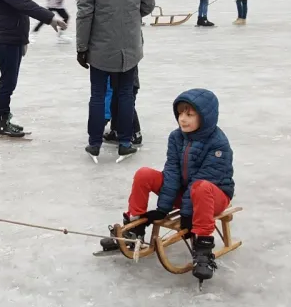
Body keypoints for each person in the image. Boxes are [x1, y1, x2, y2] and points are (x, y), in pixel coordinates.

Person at [100, 89, 234, 282]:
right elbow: (171, 171)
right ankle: (134, 228)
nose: (183, 119)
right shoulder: (176, 137)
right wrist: (163, 208)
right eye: (180, 113)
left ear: (205, 117)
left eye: (189, 114)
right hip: (185, 192)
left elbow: (204, 179)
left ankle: (203, 249)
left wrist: (188, 214)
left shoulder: (218, 144)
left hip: (214, 196)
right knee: (144, 174)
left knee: (201, 187)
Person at [76, 0, 154, 162]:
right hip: (129, 45)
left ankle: (94, 143)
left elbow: (84, 12)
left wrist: (82, 47)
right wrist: (129, 16)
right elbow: (148, 5)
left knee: (98, 95)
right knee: (125, 93)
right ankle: (125, 142)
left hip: (100, 46)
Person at [0, 0, 66, 137]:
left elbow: (19, 8)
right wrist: (49, 18)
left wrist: (23, 39)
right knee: (8, 82)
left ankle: (3, 118)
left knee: (10, 82)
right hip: (5, 39)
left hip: (12, 38)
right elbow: (24, 5)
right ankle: (1, 121)